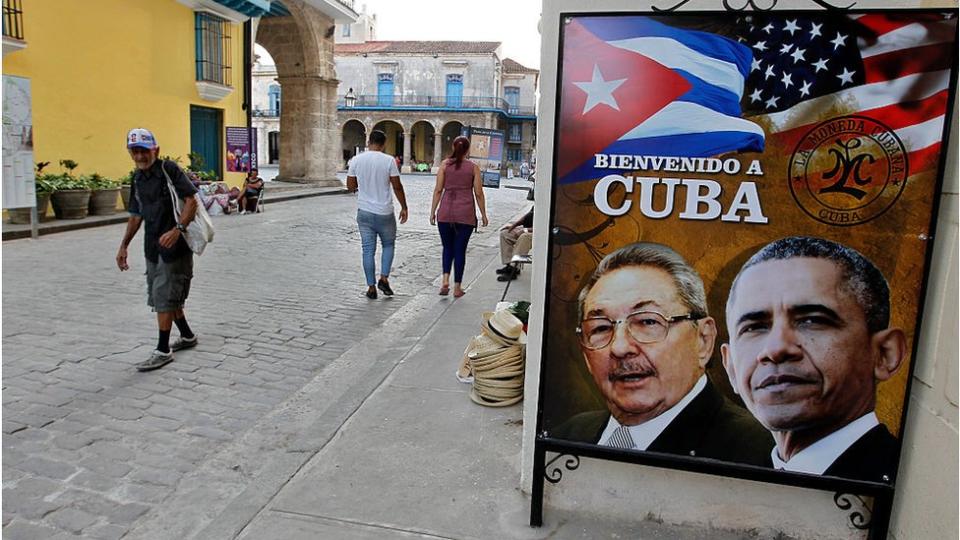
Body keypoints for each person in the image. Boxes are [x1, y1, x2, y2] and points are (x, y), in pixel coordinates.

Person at [552, 242, 772, 466]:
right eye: (600, 328)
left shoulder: (762, 455)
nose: (619, 347)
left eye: (648, 321)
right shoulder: (568, 436)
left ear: (703, 340)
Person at [721, 236, 907, 483]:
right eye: (754, 327)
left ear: (885, 354)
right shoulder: (734, 477)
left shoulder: (911, 483)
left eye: (812, 320)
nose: (776, 349)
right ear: (730, 367)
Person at [116, 128, 200, 371]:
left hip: (176, 247)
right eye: (135, 151)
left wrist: (177, 229)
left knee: (164, 295)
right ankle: (186, 336)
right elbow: (136, 215)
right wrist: (124, 245)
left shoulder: (169, 170)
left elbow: (191, 201)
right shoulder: (137, 178)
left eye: (144, 150)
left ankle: (163, 350)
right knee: (161, 293)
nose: (140, 156)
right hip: (152, 246)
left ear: (156, 150)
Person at [346, 130, 409, 299]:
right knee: (388, 245)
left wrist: (364, 185)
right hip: (384, 212)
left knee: (368, 250)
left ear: (369, 142)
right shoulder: (388, 160)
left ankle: (371, 287)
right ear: (383, 143)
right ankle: (384, 278)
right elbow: (397, 186)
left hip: (364, 211)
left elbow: (350, 186)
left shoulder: (356, 160)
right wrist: (404, 207)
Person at [429, 136, 489, 298]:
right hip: (465, 214)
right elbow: (478, 192)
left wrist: (433, 211)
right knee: (460, 250)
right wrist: (483, 214)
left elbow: (438, 190)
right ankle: (457, 288)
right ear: (468, 149)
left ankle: (445, 280)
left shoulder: (444, 165)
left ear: (453, 147)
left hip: (445, 212)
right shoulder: (473, 168)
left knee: (447, 248)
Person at [496, 207, 533, 282]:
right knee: (505, 233)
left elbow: (544, 227)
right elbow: (528, 216)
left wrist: (524, 230)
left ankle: (514, 267)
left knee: (524, 237)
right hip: (530, 230)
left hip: (541, 234)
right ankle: (509, 264)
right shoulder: (537, 204)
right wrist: (514, 225)